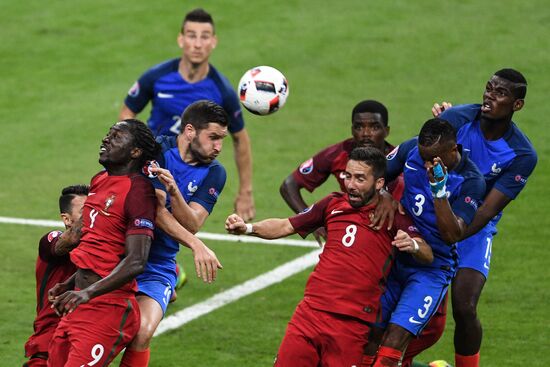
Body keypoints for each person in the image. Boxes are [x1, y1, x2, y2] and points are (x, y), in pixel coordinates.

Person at [227, 147, 432, 366]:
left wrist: (412, 245)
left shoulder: (391, 215)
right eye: (348, 176)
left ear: (379, 183)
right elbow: (286, 225)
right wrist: (248, 228)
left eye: (360, 179)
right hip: (310, 314)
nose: (351, 185)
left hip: (352, 325)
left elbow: (427, 253)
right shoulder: (333, 203)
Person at [431, 68, 537, 367]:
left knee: (465, 306)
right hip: (431, 217)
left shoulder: (521, 154)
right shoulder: (455, 120)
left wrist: (451, 235)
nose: (490, 95)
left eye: (500, 93)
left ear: (517, 105)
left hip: (473, 229)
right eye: (489, 88)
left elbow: (488, 209)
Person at [362, 118, 486, 367]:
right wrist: (384, 192)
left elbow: (453, 234)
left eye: (434, 159)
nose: (427, 163)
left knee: (393, 341)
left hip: (431, 269)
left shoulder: (472, 182)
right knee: (369, 336)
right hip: (395, 255)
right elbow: (377, 176)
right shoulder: (410, 150)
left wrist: (438, 190)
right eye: (424, 157)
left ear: (454, 150)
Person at [120, 8, 255, 221]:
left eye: (205, 37)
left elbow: (240, 138)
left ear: (214, 42)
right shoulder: (157, 76)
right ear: (181, 40)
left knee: (173, 226)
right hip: (151, 162)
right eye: (192, 36)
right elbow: (128, 111)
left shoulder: (222, 90)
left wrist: (245, 191)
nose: (198, 44)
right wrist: (133, 152)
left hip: (187, 171)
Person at [119, 100, 226, 367]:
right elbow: (153, 210)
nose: (218, 147)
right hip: (121, 254)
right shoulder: (156, 150)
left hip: (158, 265)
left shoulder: (215, 173)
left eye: (222, 139)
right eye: (213, 137)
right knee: (106, 334)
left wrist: (175, 192)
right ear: (190, 131)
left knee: (142, 333)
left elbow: (193, 222)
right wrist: (196, 246)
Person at [47, 119, 161, 366]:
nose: (106, 140)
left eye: (117, 137)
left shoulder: (138, 191)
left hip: (108, 308)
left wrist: (88, 292)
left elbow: (137, 260)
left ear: (135, 152)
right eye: (108, 134)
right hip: (78, 301)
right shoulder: (99, 180)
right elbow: (95, 244)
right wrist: (70, 284)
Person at [280, 100, 403, 245]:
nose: (366, 134)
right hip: (351, 233)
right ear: (352, 130)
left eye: (374, 127)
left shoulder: (400, 161)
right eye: (359, 127)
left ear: (386, 131)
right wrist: (311, 221)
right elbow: (289, 185)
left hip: (393, 234)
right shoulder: (337, 154)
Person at [22, 185, 89, 367]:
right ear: (66, 219)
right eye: (86, 210)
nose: (93, 214)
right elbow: (70, 241)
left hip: (84, 341)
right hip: (49, 344)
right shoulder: (51, 240)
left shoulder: (101, 247)